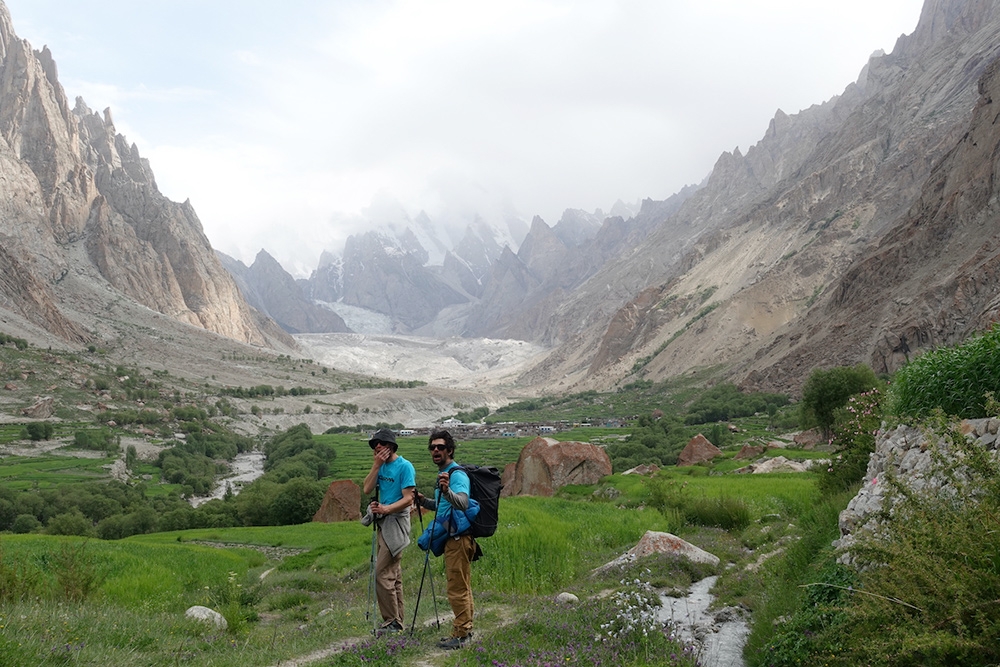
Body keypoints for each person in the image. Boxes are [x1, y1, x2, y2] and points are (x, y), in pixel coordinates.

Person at [415, 429, 477, 649]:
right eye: (432, 447)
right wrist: (425, 502)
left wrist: (447, 490)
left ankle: (461, 635)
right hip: (457, 536)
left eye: (440, 447)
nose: (436, 450)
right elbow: (444, 505)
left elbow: (462, 502)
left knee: (456, 587)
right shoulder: (445, 474)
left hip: (458, 538)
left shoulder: (456, 475)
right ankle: (465, 630)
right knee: (463, 584)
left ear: (450, 450)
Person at [362, 427, 415, 635]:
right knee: (394, 576)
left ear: (391, 446)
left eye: (381, 444)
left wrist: (386, 509)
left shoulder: (404, 467)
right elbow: (366, 489)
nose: (377, 447)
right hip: (383, 523)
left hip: (396, 524)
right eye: (375, 445)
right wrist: (376, 466)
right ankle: (397, 621)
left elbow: (409, 498)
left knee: (382, 574)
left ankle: (392, 621)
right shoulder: (380, 466)